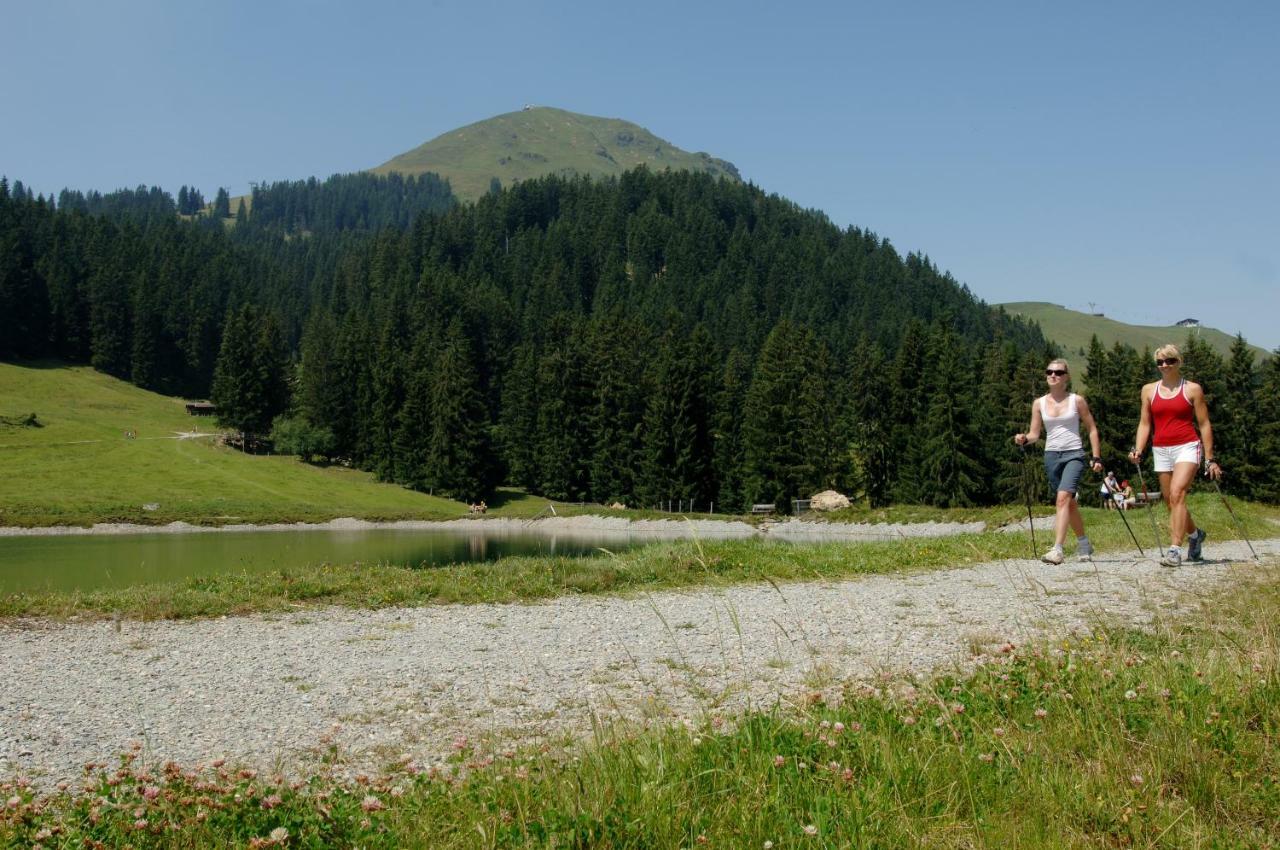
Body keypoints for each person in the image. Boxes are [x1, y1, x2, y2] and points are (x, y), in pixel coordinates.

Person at [1128, 344, 1220, 567]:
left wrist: (1210, 459)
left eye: (1169, 361)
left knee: (1178, 494)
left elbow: (1204, 424)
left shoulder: (1192, 389)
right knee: (1171, 501)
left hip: (1187, 446)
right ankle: (1196, 535)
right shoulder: (1148, 390)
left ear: (1179, 362)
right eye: (1159, 362)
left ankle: (1174, 550)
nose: (1164, 366)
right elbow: (1145, 423)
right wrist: (1138, 448)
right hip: (1161, 448)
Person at [1014, 358, 1105, 564]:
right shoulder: (1039, 403)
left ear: (1066, 377)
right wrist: (1024, 439)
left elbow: (1091, 428)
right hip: (1051, 456)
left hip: (1074, 454)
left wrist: (1096, 456)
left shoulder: (1077, 400)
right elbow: (1035, 434)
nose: (1053, 375)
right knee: (1069, 503)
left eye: (1058, 372)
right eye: (1049, 372)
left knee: (1062, 499)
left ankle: (1058, 550)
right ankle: (1084, 543)